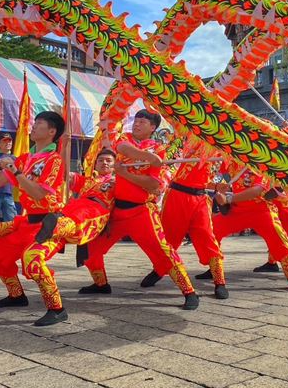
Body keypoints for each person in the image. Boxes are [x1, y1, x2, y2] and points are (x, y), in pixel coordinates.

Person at [79, 109, 199, 310]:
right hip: (117, 211)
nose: (137, 124)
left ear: (153, 128)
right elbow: (124, 149)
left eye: (143, 122)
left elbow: (153, 185)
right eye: (136, 120)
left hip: (142, 212)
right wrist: (148, 158)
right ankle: (101, 284)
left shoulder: (160, 150)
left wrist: (126, 173)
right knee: (90, 250)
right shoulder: (124, 139)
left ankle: (189, 291)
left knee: (164, 252)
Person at [0, 111, 66, 311]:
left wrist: (16, 171)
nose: (33, 126)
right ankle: (16, 295)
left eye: (39, 123)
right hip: (28, 222)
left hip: (49, 225)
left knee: (32, 259)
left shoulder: (54, 160)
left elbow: (39, 194)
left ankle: (56, 308)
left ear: (51, 131)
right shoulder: (24, 158)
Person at [21, 148, 117, 326]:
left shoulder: (119, 181)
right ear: (94, 164)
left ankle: (52, 225)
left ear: (115, 165)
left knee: (74, 220)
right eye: (101, 160)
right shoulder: (87, 180)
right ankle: (57, 308)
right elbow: (66, 175)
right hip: (68, 213)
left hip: (94, 213)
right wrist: (62, 151)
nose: (104, 163)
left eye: (109, 161)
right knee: (31, 256)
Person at [140, 140, 228, 299]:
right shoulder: (186, 137)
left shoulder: (224, 151)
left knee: (207, 238)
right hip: (176, 195)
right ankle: (160, 269)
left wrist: (217, 187)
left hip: (200, 198)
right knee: (169, 238)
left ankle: (220, 281)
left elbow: (209, 179)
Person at [209, 166, 288, 292]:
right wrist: (218, 189)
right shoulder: (232, 160)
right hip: (237, 211)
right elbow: (217, 177)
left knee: (279, 238)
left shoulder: (261, 164)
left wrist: (229, 198)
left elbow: (257, 190)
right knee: (211, 233)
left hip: (261, 210)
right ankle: (217, 277)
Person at [0, 134, 18, 223]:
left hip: (9, 193)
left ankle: (10, 237)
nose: (8, 143)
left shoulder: (14, 158)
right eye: (5, 141)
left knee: (12, 219)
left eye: (10, 141)